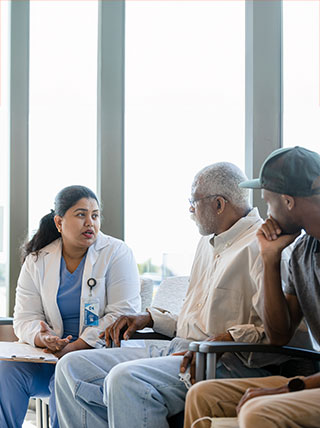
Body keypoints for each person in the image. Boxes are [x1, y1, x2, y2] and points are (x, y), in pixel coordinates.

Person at [55, 162, 308, 428]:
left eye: (193, 201)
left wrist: (225, 338)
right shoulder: (207, 243)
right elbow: (197, 321)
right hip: (179, 349)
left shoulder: (263, 247)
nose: (190, 209)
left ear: (219, 204)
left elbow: (279, 333)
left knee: (126, 380)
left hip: (226, 362)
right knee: (72, 367)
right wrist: (149, 318)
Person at [183, 146, 320, 428]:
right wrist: (269, 258)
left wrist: (289, 388)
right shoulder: (300, 253)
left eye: (268, 203)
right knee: (201, 395)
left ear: (288, 201)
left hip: (312, 381)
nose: (265, 213)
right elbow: (279, 334)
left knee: (259, 412)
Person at [0, 185, 141, 428]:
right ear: (58, 222)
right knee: (5, 370)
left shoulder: (117, 253)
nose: (90, 223)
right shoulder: (37, 260)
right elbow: (24, 317)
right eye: (81, 214)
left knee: (67, 372)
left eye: (95, 215)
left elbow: (121, 314)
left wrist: (76, 346)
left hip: (97, 356)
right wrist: (42, 337)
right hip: (48, 356)